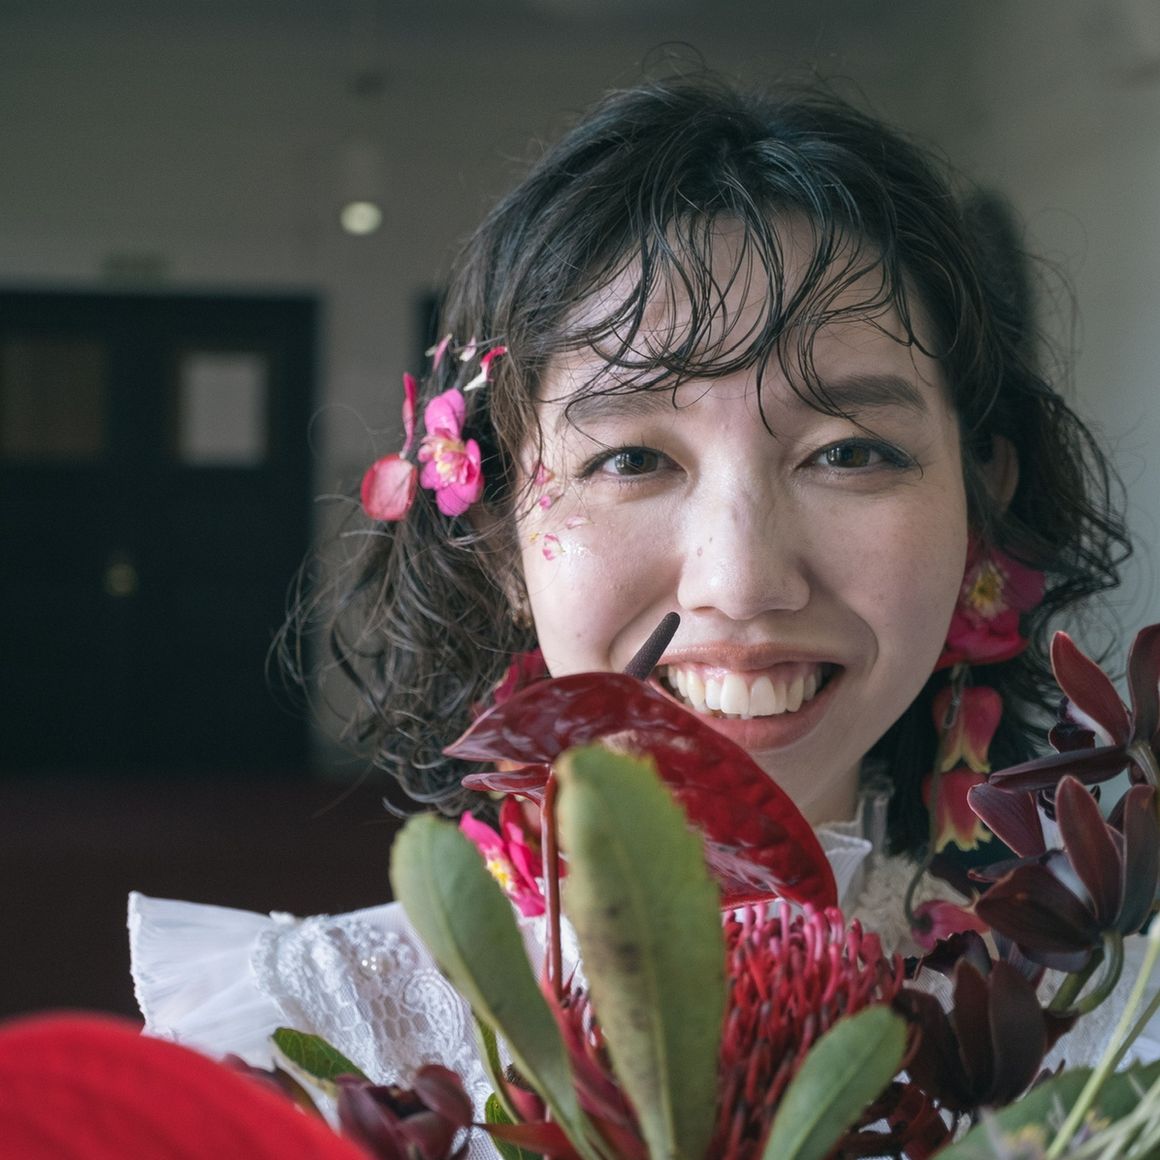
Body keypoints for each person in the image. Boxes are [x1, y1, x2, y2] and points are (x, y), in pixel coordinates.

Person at [129, 74, 1142, 1152]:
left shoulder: (1110, 1049)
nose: (740, 580)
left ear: (980, 504)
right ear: (499, 531)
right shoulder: (310, 1053)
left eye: (847, 452)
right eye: (630, 459)